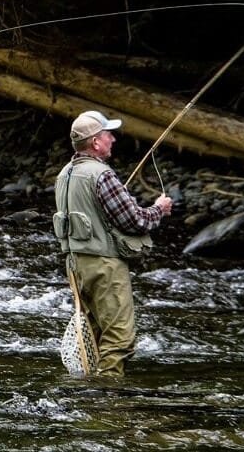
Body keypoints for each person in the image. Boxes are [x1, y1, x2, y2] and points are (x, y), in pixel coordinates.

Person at [54, 110, 173, 378]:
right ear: (95, 142)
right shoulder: (101, 175)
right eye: (108, 135)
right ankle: (107, 399)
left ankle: (88, 392)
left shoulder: (65, 174)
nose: (113, 139)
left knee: (95, 335)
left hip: (75, 266)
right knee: (119, 339)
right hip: (103, 266)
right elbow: (135, 222)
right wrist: (158, 208)